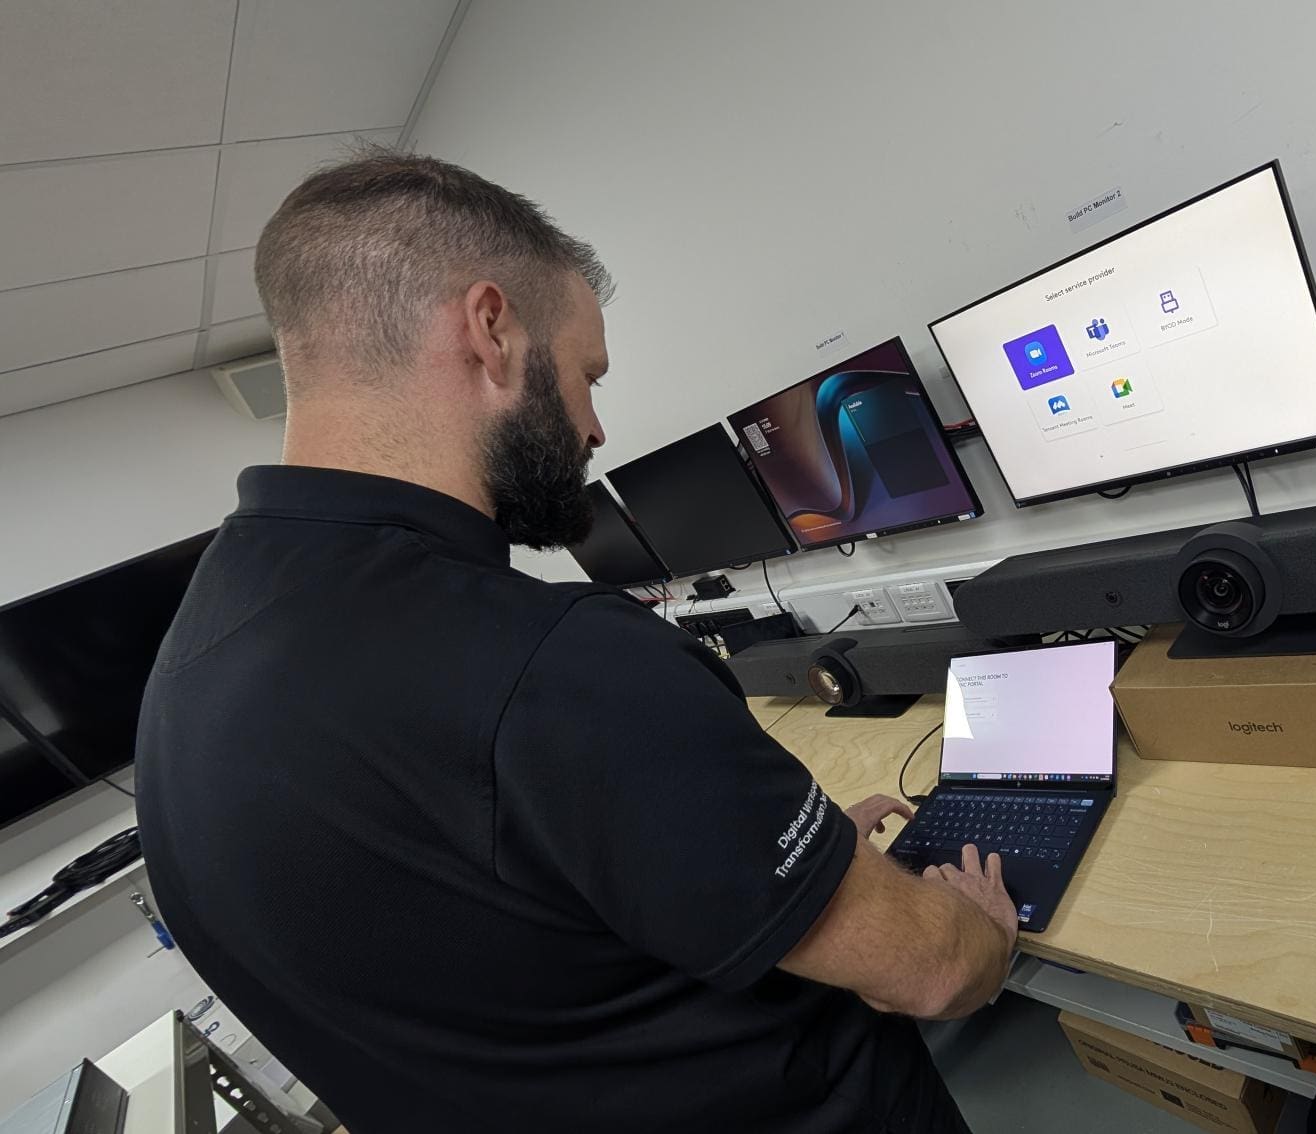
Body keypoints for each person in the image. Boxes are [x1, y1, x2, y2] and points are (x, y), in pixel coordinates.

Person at [135, 150, 1017, 1134]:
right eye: (586, 374)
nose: (595, 426)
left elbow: (495, 932)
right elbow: (935, 974)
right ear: (492, 330)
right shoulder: (554, 662)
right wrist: (974, 928)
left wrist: (763, 870)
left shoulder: (189, 670)